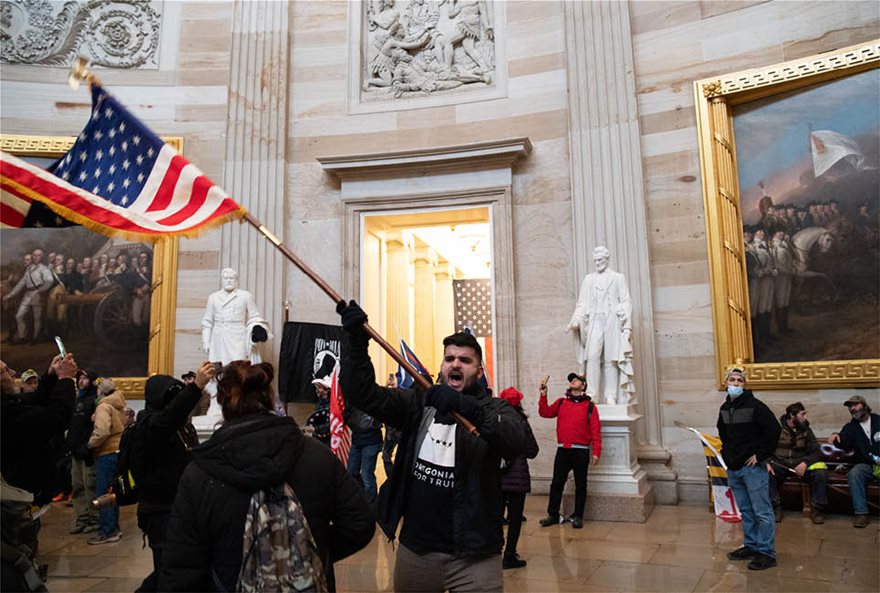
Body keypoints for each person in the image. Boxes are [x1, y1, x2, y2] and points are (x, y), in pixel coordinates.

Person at [337, 300, 526, 592]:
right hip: (418, 551)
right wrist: (356, 344)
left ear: (479, 370)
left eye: (465, 360)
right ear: (441, 366)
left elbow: (521, 440)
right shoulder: (418, 403)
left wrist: (468, 408)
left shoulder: (494, 408)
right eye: (449, 358)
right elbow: (364, 395)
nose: (455, 364)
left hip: (475, 556)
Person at [159, 361, 374, 592]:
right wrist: (311, 548)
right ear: (270, 399)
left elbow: (181, 564)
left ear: (222, 402)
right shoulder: (317, 455)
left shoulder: (200, 472)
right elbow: (359, 523)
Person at [134, 362, 214, 592]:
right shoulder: (149, 425)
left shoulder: (181, 427)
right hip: (160, 511)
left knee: (174, 568)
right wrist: (195, 386)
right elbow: (168, 418)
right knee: (168, 570)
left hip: (178, 507)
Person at [1, 354, 77, 592]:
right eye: (5, 371)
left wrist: (51, 377)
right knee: (16, 568)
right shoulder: (5, 415)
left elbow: (31, 402)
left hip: (19, 497)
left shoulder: (8, 406)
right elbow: (54, 418)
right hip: (9, 506)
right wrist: (65, 380)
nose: (13, 373)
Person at [718, 367, 780, 570]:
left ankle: (766, 552)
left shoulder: (756, 406)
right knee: (745, 510)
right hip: (734, 467)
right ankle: (752, 546)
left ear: (744, 384)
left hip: (752, 468)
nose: (735, 384)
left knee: (762, 511)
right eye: (732, 380)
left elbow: (773, 430)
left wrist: (761, 455)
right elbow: (723, 432)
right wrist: (727, 455)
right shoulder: (725, 409)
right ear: (725, 383)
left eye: (739, 381)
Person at [566, 246, 635, 405]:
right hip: (595, 320)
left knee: (611, 359)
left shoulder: (618, 278)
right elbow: (582, 304)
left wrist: (627, 327)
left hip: (612, 320)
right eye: (595, 260)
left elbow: (626, 301)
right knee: (592, 357)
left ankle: (611, 395)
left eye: (600, 260)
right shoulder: (589, 279)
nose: (597, 263)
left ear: (607, 259)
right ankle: (592, 393)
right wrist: (575, 319)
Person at [538, 373, 601, 529]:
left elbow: (596, 431)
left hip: (581, 451)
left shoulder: (591, 407)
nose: (573, 381)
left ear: (583, 385)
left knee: (581, 485)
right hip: (563, 450)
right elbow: (544, 412)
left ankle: (578, 516)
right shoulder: (561, 403)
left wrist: (596, 452)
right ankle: (552, 515)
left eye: (576, 380)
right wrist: (543, 396)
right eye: (571, 380)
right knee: (556, 484)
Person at [497, 386, 539, 569]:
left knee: (495, 516)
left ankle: (493, 551)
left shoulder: (495, 421)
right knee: (514, 519)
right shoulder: (522, 422)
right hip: (518, 477)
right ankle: (509, 555)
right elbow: (532, 451)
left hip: (497, 477)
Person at [767, 402, 828, 524]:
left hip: (800, 463)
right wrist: (767, 462)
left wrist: (805, 463)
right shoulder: (776, 428)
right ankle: (776, 507)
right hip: (780, 463)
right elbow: (765, 448)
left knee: (820, 472)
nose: (805, 417)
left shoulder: (806, 430)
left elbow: (816, 451)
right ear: (792, 415)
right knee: (765, 473)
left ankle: (817, 509)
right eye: (802, 414)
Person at [829, 395, 879, 528]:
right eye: (850, 407)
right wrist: (836, 436)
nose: (852, 409)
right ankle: (861, 513)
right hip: (867, 466)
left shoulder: (878, 420)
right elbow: (843, 442)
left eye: (855, 405)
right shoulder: (851, 427)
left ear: (864, 405)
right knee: (855, 473)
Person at [87, 378, 127, 544]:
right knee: (113, 491)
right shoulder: (118, 403)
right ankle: (114, 528)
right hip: (118, 450)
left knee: (103, 492)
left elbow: (102, 431)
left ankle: (108, 530)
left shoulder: (103, 406)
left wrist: (89, 444)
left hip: (106, 452)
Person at [66, 369, 100, 535]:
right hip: (75, 450)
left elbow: (96, 427)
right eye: (79, 378)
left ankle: (95, 518)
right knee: (77, 486)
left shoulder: (95, 400)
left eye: (85, 378)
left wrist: (88, 446)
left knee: (90, 486)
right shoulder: (76, 400)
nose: (81, 381)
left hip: (88, 452)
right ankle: (82, 517)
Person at [2, 249, 54, 344]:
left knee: (37, 318)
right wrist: (10, 295)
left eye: (38, 255)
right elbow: (21, 283)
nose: (36, 257)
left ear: (41, 257)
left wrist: (40, 290)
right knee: (19, 316)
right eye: (34, 255)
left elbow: (49, 281)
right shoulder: (29, 269)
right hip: (28, 295)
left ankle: (35, 337)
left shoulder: (44, 269)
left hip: (37, 295)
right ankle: (22, 337)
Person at [345, 403, 384, 504]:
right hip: (357, 439)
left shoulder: (373, 400)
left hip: (371, 441)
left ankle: (371, 502)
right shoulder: (352, 401)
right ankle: (363, 496)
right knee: (352, 471)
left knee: (367, 475)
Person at [305, 376, 332, 447]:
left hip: (328, 441)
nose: (317, 390)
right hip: (318, 439)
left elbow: (330, 425)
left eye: (319, 388)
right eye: (316, 388)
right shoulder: (320, 403)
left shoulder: (332, 406)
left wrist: (315, 429)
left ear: (327, 390)